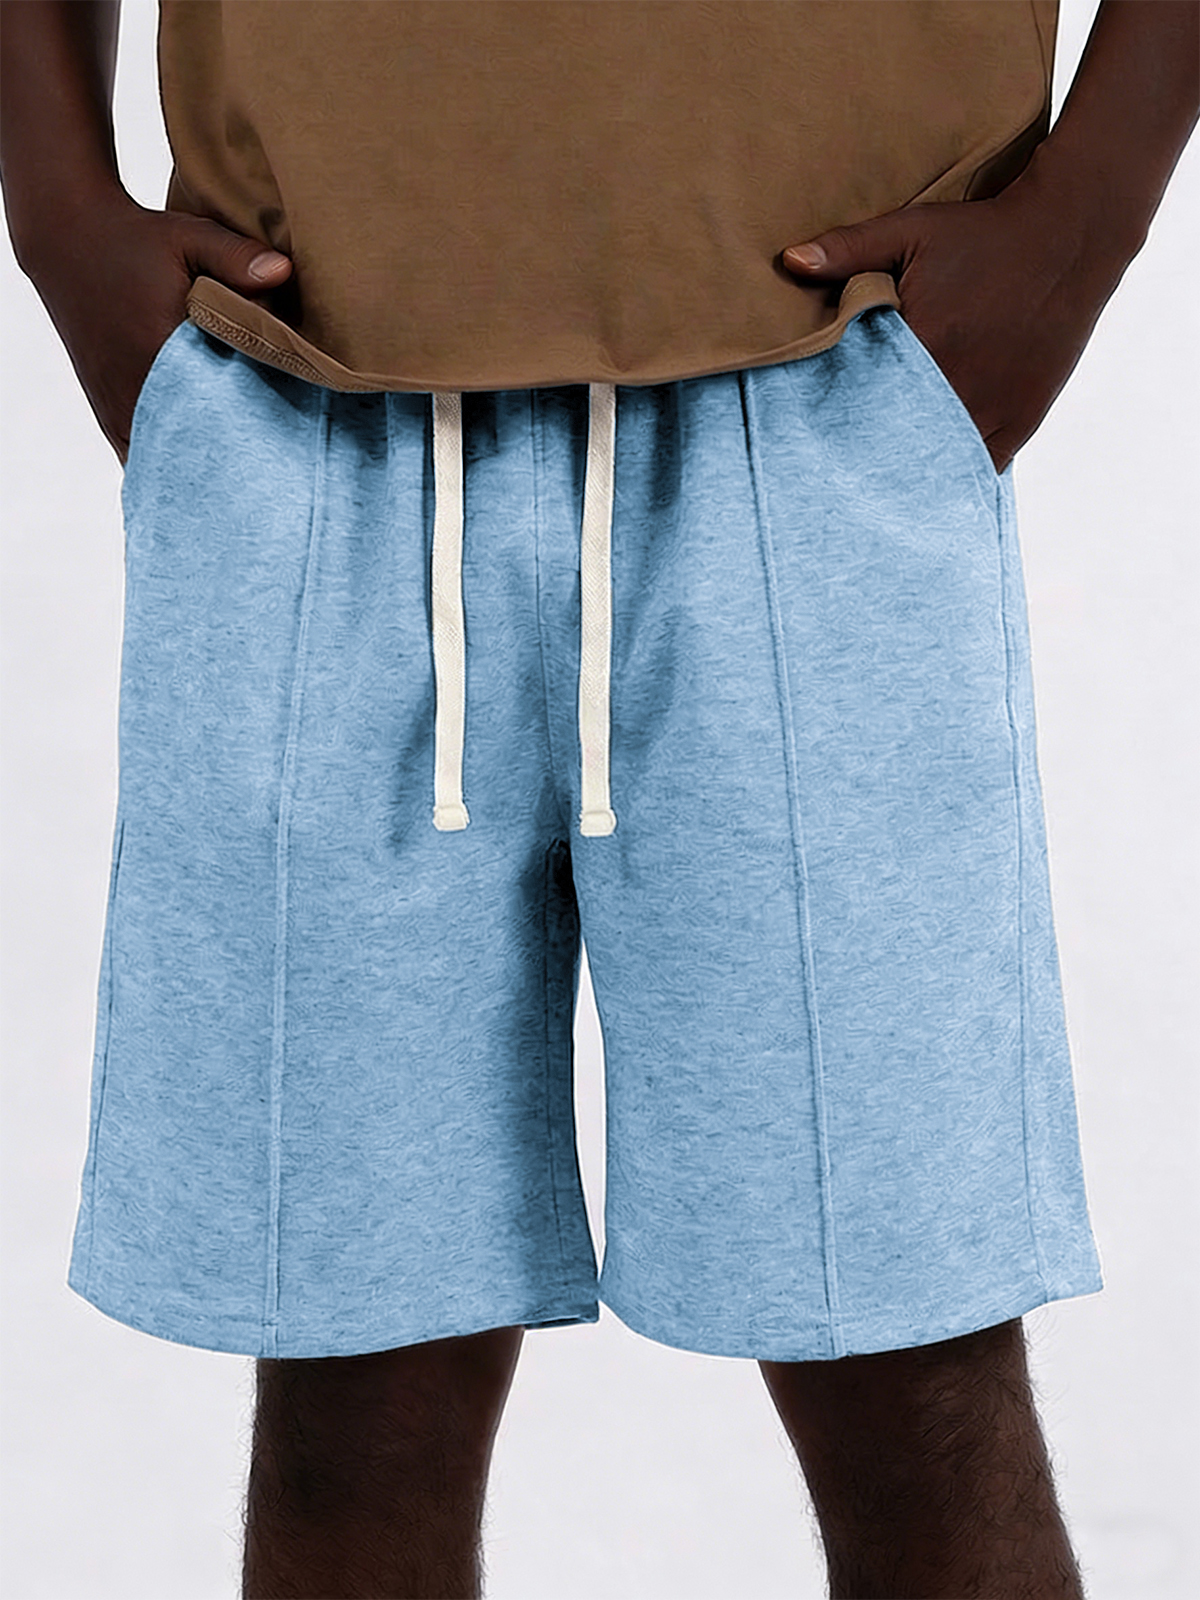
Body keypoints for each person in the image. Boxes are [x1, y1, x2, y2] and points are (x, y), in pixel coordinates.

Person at [2, 1, 1196, 1595]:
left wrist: (1092, 207)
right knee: (354, 1401)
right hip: (308, 378)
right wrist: (57, 205)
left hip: (822, 371)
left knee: (911, 1385)